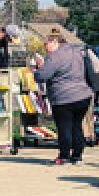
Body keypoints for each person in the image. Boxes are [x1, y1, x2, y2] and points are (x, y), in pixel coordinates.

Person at [33, 33, 92, 165]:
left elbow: (42, 76)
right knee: (77, 126)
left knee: (64, 127)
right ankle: (77, 155)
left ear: (55, 42)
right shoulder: (77, 51)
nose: (45, 47)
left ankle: (64, 156)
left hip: (64, 97)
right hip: (83, 94)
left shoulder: (55, 56)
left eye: (46, 44)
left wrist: (38, 68)